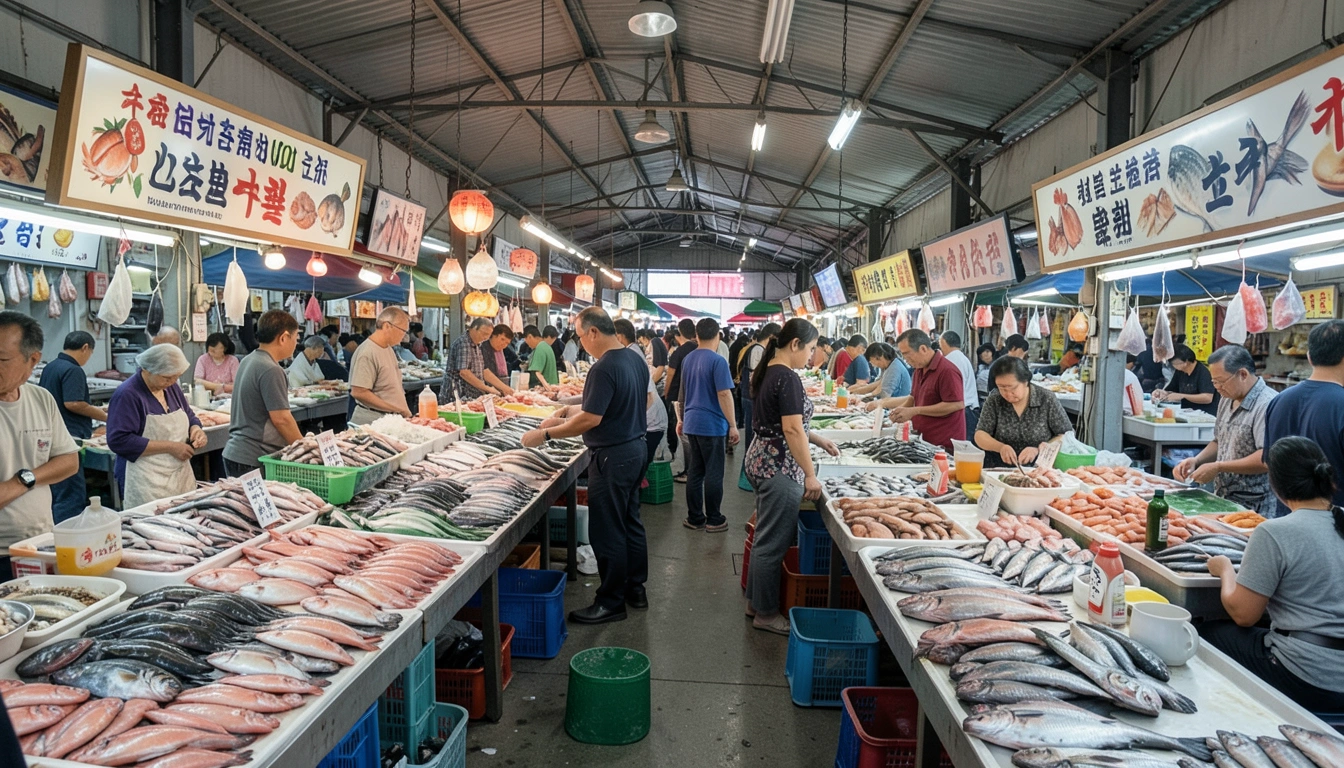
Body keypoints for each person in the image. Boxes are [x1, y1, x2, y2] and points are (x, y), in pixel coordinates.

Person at [521, 308, 649, 624]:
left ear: (593, 332)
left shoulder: (603, 367)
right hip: (636, 450)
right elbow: (601, 404)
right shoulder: (634, 358)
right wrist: (566, 411)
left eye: (580, 336)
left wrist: (546, 434)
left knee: (607, 531)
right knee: (630, 522)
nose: (580, 343)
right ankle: (636, 589)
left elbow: (593, 418)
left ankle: (610, 602)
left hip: (612, 458)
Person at [1201, 436, 1344, 712]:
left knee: (1202, 633)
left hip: (1306, 673)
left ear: (1275, 486)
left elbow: (1244, 615)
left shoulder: (1275, 532)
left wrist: (1225, 570)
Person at [744, 319, 840, 635]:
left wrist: (818, 440)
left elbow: (782, 423)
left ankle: (756, 602)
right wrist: (810, 475)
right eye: (811, 349)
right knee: (773, 543)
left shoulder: (768, 370)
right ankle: (767, 614)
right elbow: (790, 428)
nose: (812, 356)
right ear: (795, 344)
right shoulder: (787, 378)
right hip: (779, 468)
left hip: (761, 459)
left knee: (764, 537)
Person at [0, 312, 79, 574]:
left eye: (1, 359)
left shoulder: (41, 399)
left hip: (40, 543)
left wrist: (22, 480)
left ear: (32, 360)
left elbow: (69, 461)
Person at [1172, 345, 1275, 514]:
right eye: (1214, 382)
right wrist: (1196, 461)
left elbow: (1266, 458)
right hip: (1224, 496)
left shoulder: (1267, 404)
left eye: (1220, 381)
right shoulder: (1227, 399)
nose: (1217, 387)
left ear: (1243, 374)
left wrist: (1219, 466)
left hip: (1254, 503)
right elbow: (1219, 440)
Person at [106, 344, 205, 508]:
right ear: (147, 369)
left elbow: (189, 415)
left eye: (176, 377)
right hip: (145, 481)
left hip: (178, 477)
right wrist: (171, 447)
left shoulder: (171, 387)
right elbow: (118, 440)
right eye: (167, 378)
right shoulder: (128, 394)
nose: (172, 382)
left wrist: (196, 429)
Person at [1263, 319, 1344, 516]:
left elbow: (1269, 463)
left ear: (1309, 357)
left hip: (1288, 521)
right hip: (1336, 527)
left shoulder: (1278, 401)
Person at [224, 310, 304, 476]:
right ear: (283, 338)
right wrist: (304, 448)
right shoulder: (271, 369)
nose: (296, 344)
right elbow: (281, 419)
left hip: (237, 453)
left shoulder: (249, 359)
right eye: (296, 338)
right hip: (253, 458)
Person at [676, 318, 738, 532]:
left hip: (692, 423)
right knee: (713, 472)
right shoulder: (718, 361)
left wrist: (681, 419)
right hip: (712, 425)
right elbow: (724, 393)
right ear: (718, 335)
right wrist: (733, 424)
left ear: (696, 335)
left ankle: (695, 518)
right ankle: (714, 518)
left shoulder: (688, 359)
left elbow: (682, 395)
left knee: (695, 472)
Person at [39, 332, 106, 523]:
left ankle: (55, 536)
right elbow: (73, 403)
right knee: (71, 495)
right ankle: (69, 538)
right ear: (85, 347)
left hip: (51, 435)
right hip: (69, 438)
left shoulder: (51, 366)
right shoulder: (73, 369)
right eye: (90, 353)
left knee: (57, 493)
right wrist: (105, 416)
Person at [868, 329, 965, 452]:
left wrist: (915, 411)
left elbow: (956, 404)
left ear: (923, 349)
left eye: (907, 354)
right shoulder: (919, 369)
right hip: (924, 440)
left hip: (944, 445)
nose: (905, 359)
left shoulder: (947, 370)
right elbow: (913, 397)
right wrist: (898, 412)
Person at [974, 356, 1072, 467]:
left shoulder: (1046, 398)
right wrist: (1000, 447)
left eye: (1012, 388)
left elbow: (1066, 435)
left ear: (1025, 382)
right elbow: (980, 435)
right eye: (1002, 388)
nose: (1007, 393)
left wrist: (1039, 449)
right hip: (998, 468)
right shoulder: (995, 399)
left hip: (1038, 470)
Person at [617, 320, 667, 468]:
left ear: (619, 337)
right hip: (651, 420)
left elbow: (647, 396)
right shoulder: (633, 351)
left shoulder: (630, 355)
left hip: (651, 422)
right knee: (638, 469)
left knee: (637, 469)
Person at [350, 307, 414, 425]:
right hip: (372, 422)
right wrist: (396, 409)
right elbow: (359, 392)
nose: (404, 336)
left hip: (389, 420)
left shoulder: (388, 348)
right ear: (387, 326)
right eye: (402, 331)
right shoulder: (367, 352)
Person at [442, 318, 513, 402]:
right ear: (473, 328)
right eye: (484, 333)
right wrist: (487, 388)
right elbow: (464, 373)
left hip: (471, 395)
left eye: (488, 335)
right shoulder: (464, 343)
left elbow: (484, 370)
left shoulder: (478, 345)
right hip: (457, 394)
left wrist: (504, 388)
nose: (485, 337)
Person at [738, 323, 780, 454]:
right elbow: (756, 375)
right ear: (772, 336)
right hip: (750, 396)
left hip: (750, 395)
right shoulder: (758, 350)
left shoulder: (756, 348)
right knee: (751, 432)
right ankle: (748, 462)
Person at [665, 318, 698, 480]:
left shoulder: (678, 352)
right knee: (690, 434)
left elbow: (670, 376)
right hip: (694, 396)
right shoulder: (699, 349)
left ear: (679, 331)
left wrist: (666, 393)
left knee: (680, 433)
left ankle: (686, 471)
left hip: (678, 397)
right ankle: (692, 469)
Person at [1153, 344, 1219, 415]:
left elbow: (1207, 397)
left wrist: (1182, 396)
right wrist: (1163, 393)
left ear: (1186, 362)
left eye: (1175, 363)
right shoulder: (1180, 371)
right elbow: (1172, 390)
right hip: (1187, 412)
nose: (1173, 366)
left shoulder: (1203, 372)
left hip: (1205, 414)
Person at [940, 331, 981, 438]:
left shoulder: (951, 360)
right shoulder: (962, 358)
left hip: (963, 412)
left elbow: (954, 392)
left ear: (943, 342)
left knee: (960, 448)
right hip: (968, 411)